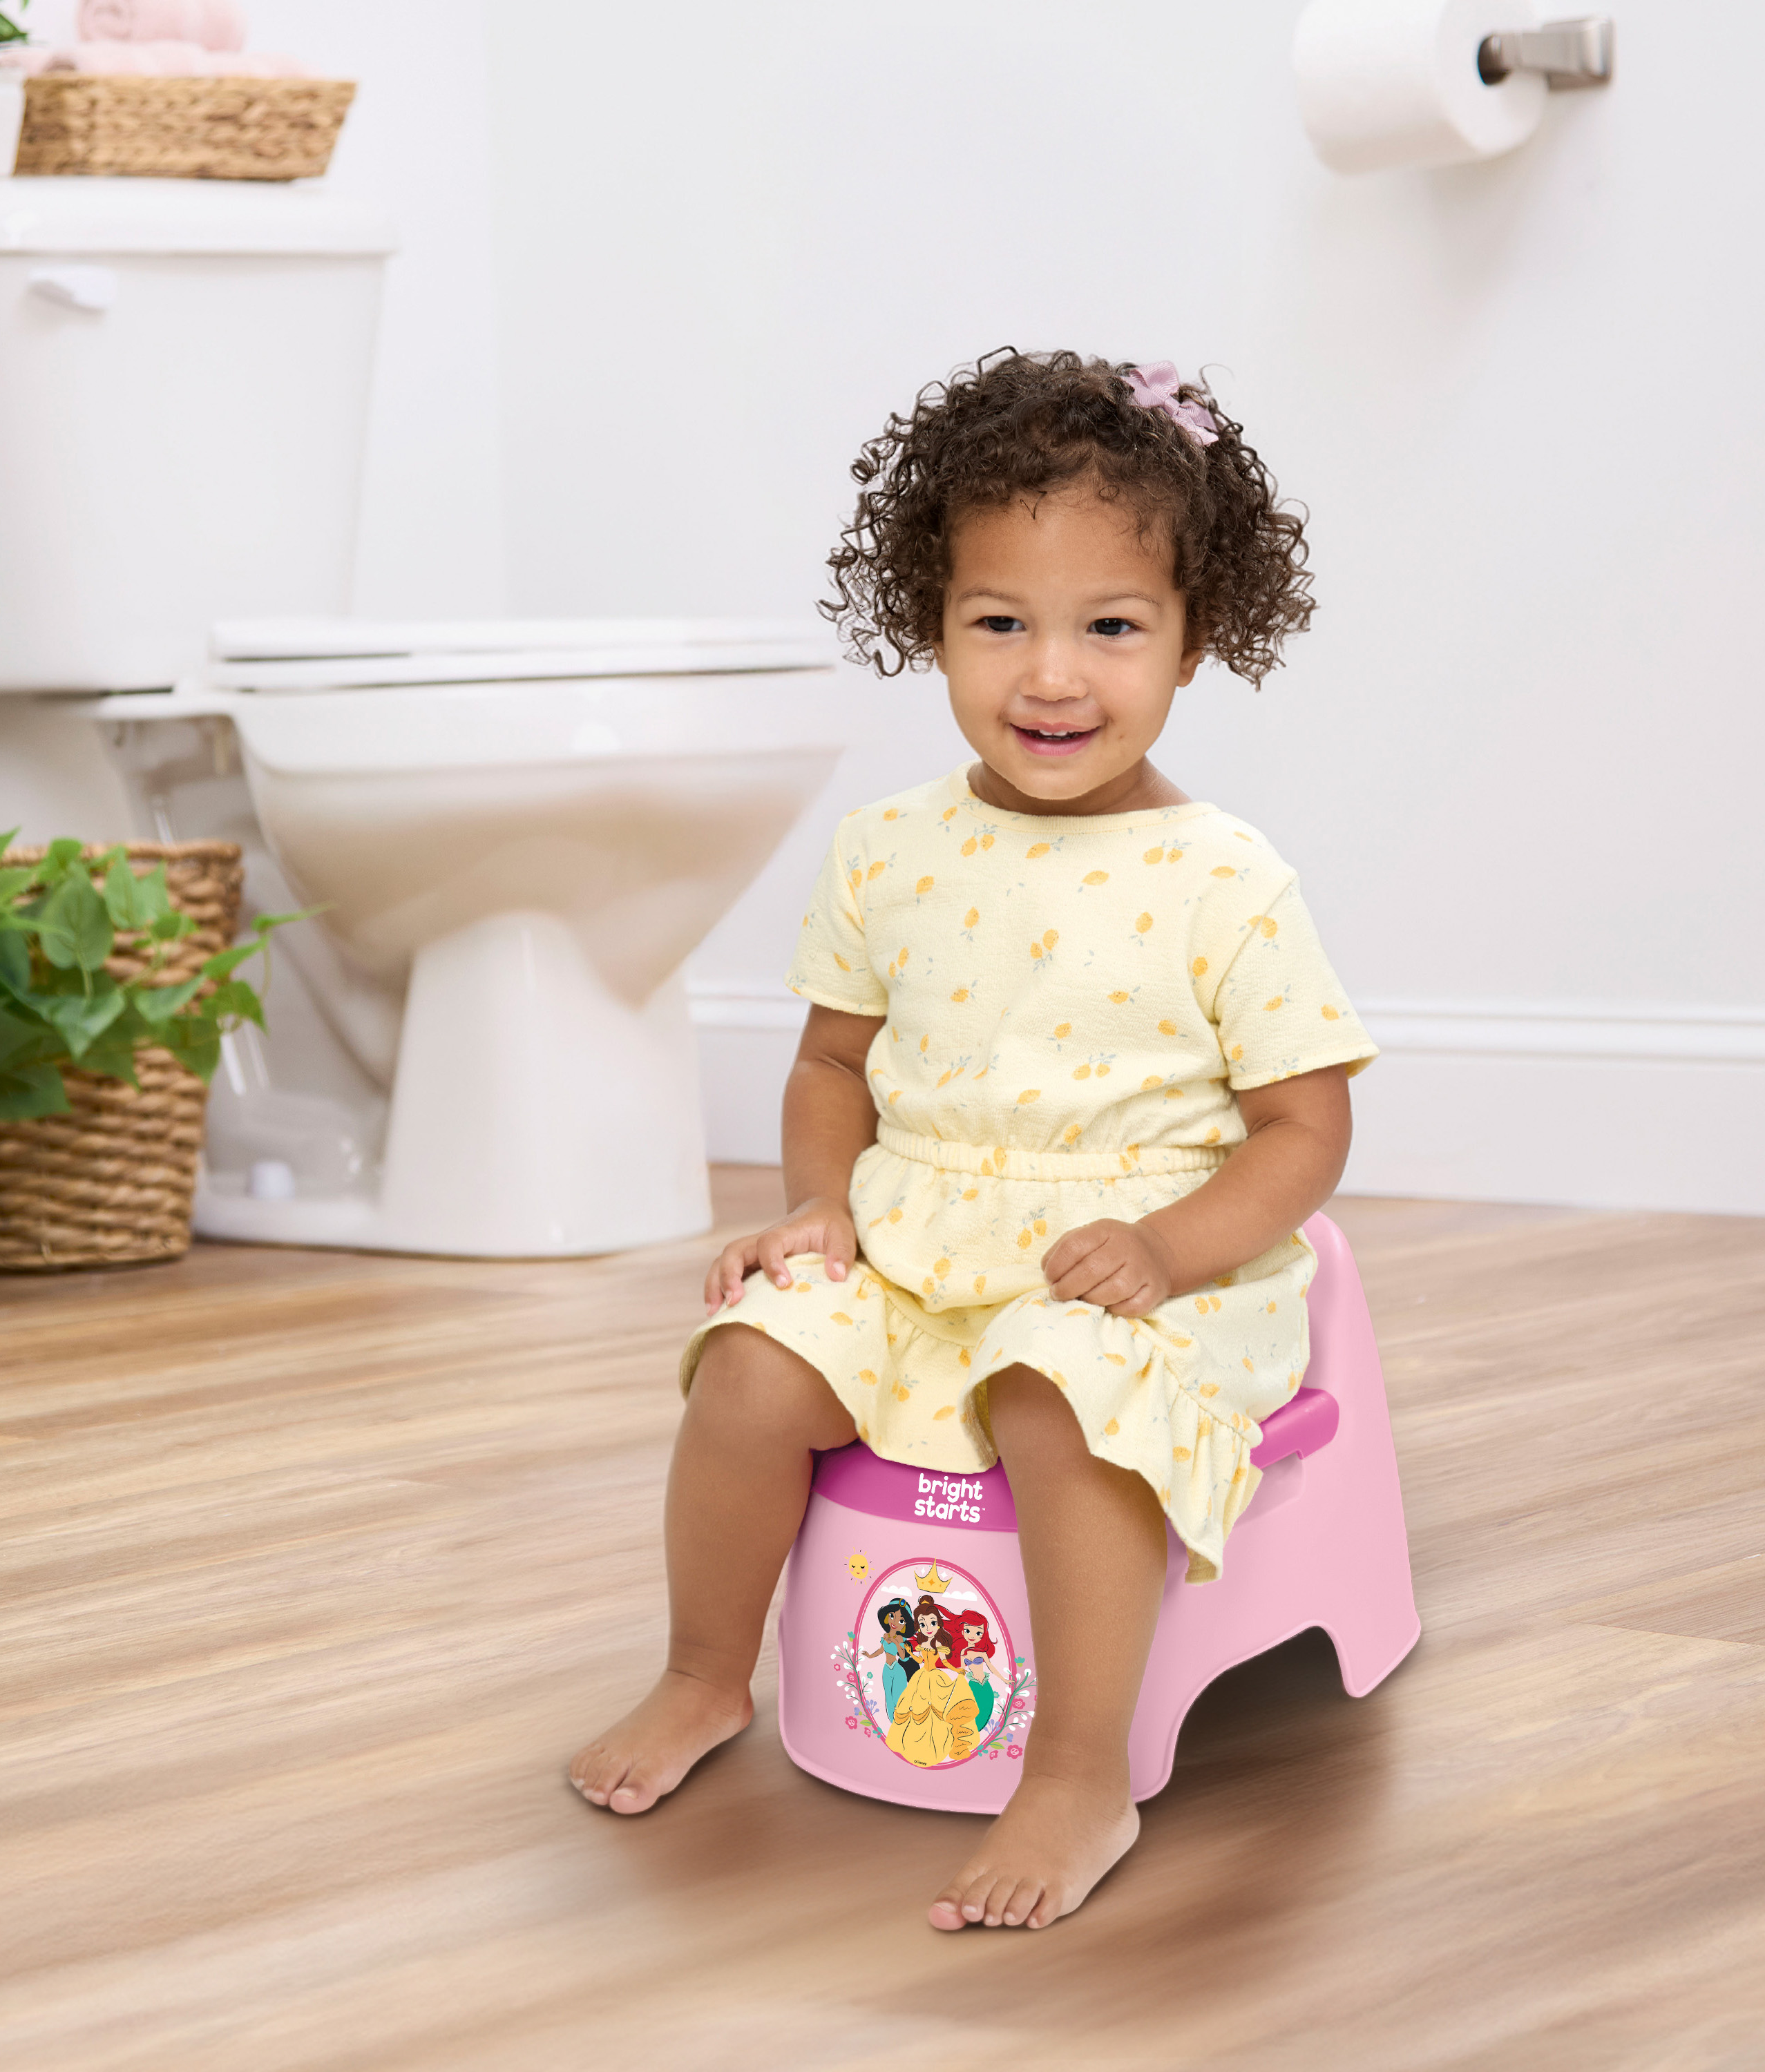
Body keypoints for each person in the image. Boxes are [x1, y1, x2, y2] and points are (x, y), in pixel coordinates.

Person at [571, 350, 1375, 1932]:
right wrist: (817, 1211)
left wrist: (1165, 1250)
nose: (1049, 676)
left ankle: (1077, 1770)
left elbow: (1304, 1127)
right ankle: (701, 1672)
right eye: (999, 621)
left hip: (1142, 1274)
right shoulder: (888, 850)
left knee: (1062, 1389)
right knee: (750, 1360)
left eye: (1110, 628)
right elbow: (831, 1063)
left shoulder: (1224, 878)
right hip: (920, 1249)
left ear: (1195, 635)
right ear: (927, 624)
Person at [884, 1599, 980, 1767]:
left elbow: (946, 1662)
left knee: (936, 1711)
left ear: (938, 1624)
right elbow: (920, 1660)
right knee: (913, 1708)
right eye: (923, 1624)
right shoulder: (922, 1643)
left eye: (932, 1623)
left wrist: (957, 1670)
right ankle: (914, 1745)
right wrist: (910, 1653)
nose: (928, 1628)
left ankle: (936, 1745)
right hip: (921, 1677)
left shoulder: (939, 1644)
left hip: (935, 1678)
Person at [861, 1598, 917, 1725]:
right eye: (892, 1616)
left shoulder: (900, 1638)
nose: (895, 1622)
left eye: (901, 1621)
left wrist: (897, 1643)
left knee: (899, 1698)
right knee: (889, 1697)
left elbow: (902, 1656)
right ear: (887, 1617)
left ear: (904, 1625)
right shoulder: (886, 1636)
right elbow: (881, 1651)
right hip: (887, 1670)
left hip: (898, 1671)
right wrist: (870, 1656)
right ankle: (893, 1723)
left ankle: (904, 1721)